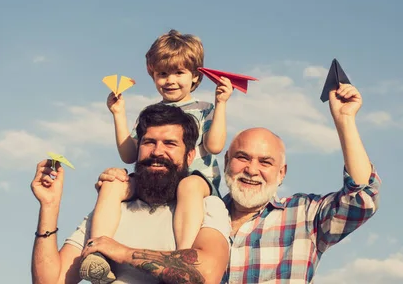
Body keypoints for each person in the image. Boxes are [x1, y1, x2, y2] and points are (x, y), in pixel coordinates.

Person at [98, 83, 381, 283]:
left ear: (282, 173)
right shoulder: (197, 213)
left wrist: (344, 119)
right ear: (225, 163)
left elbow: (361, 200)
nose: (251, 170)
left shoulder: (305, 216)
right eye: (242, 158)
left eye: (265, 162)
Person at [82, 29, 234, 282]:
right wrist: (119, 114)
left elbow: (215, 145)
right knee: (112, 183)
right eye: (162, 74)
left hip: (194, 181)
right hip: (154, 180)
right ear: (152, 75)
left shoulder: (203, 109)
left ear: (196, 76)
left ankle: (178, 257)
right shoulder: (149, 113)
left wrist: (221, 104)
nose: (170, 80)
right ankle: (97, 252)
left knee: (188, 185)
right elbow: (129, 155)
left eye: (178, 73)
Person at [30, 103, 231, 284]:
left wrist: (123, 253)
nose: (157, 151)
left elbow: (207, 275)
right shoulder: (111, 210)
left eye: (170, 144)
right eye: (149, 142)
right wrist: (50, 206)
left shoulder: (206, 207)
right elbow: (51, 281)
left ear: (189, 156)